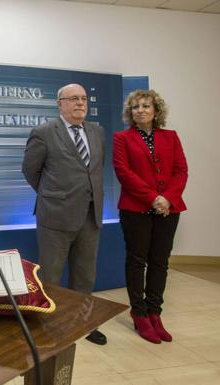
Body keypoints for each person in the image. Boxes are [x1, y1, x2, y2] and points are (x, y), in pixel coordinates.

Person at [22, 83, 107, 345]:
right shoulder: (44, 132)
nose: (80, 103)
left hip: (90, 215)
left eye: (83, 98)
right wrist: (53, 195)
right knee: (51, 276)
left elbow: (93, 169)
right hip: (55, 216)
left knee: (85, 274)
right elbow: (30, 170)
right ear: (59, 103)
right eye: (73, 99)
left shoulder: (97, 131)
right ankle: (49, 325)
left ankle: (83, 322)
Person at [113, 89, 187, 344]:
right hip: (135, 209)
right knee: (137, 261)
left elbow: (181, 171)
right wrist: (153, 198)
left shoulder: (171, 137)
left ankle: (155, 313)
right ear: (130, 113)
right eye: (135, 107)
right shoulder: (122, 138)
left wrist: (167, 198)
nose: (140, 110)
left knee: (160, 262)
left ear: (156, 111)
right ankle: (139, 313)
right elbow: (123, 172)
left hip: (169, 208)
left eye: (145, 106)